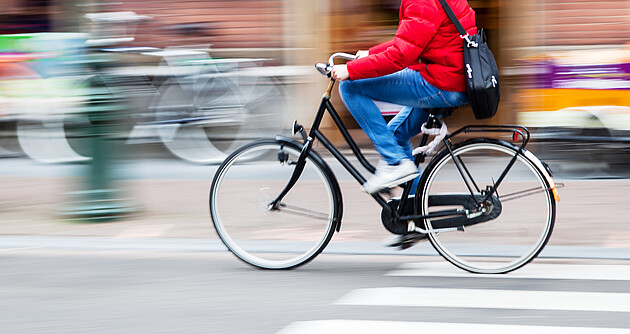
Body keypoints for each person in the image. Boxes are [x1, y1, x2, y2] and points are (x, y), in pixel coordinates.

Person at [331, 0, 477, 194]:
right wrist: (371, 53)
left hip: (441, 82)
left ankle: (394, 163)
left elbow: (400, 56)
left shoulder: (421, 2)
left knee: (350, 87)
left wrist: (351, 70)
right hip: (451, 78)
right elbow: (414, 40)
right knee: (395, 136)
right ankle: (415, 208)